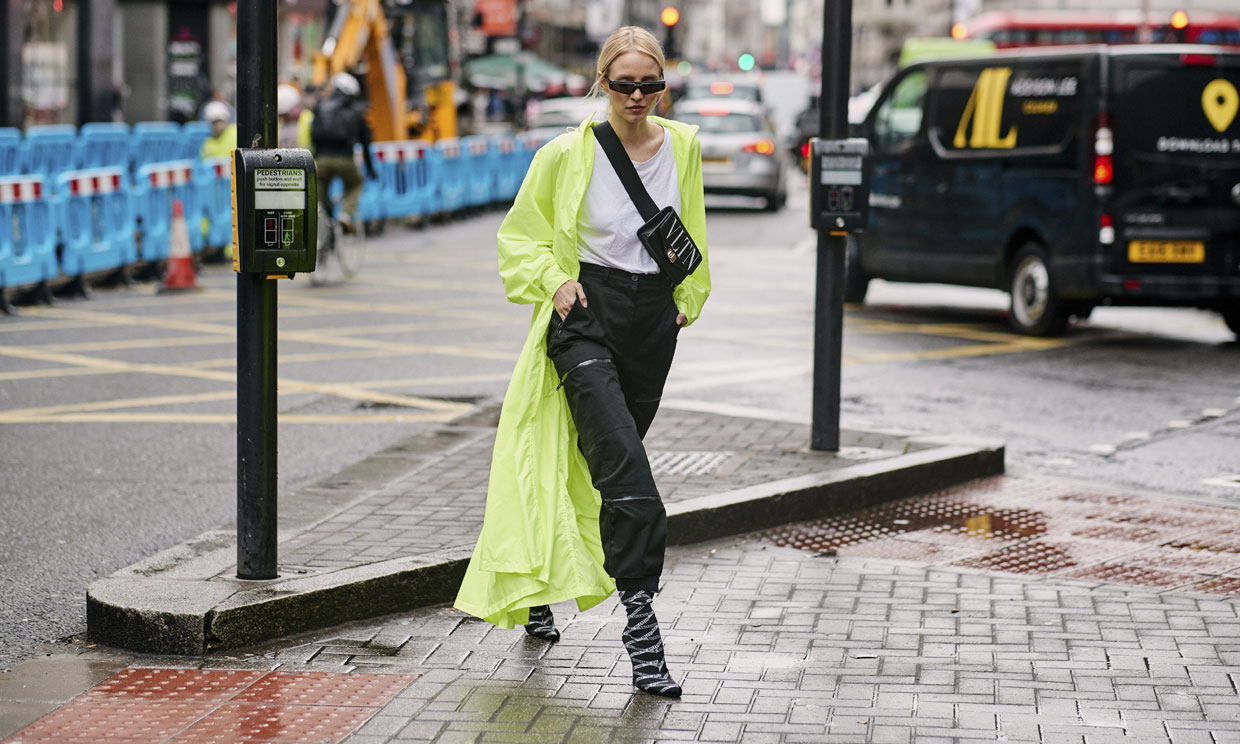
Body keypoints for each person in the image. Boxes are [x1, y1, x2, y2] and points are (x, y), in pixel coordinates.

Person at [454, 26, 710, 698]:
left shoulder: (683, 145)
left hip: (654, 322)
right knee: (628, 474)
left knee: (593, 471)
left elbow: (694, 234)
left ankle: (543, 587)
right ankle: (642, 630)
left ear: (664, 84)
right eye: (623, 84)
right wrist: (555, 284)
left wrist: (689, 297)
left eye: (649, 84)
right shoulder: (567, 154)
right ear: (603, 84)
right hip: (585, 318)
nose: (636, 96)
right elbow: (521, 238)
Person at [310, 72, 377, 231]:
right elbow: (366, 144)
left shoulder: (320, 107)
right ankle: (345, 215)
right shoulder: (357, 111)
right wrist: (370, 169)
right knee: (356, 183)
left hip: (321, 161)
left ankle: (321, 229)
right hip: (345, 160)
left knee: (319, 200)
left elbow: (312, 136)